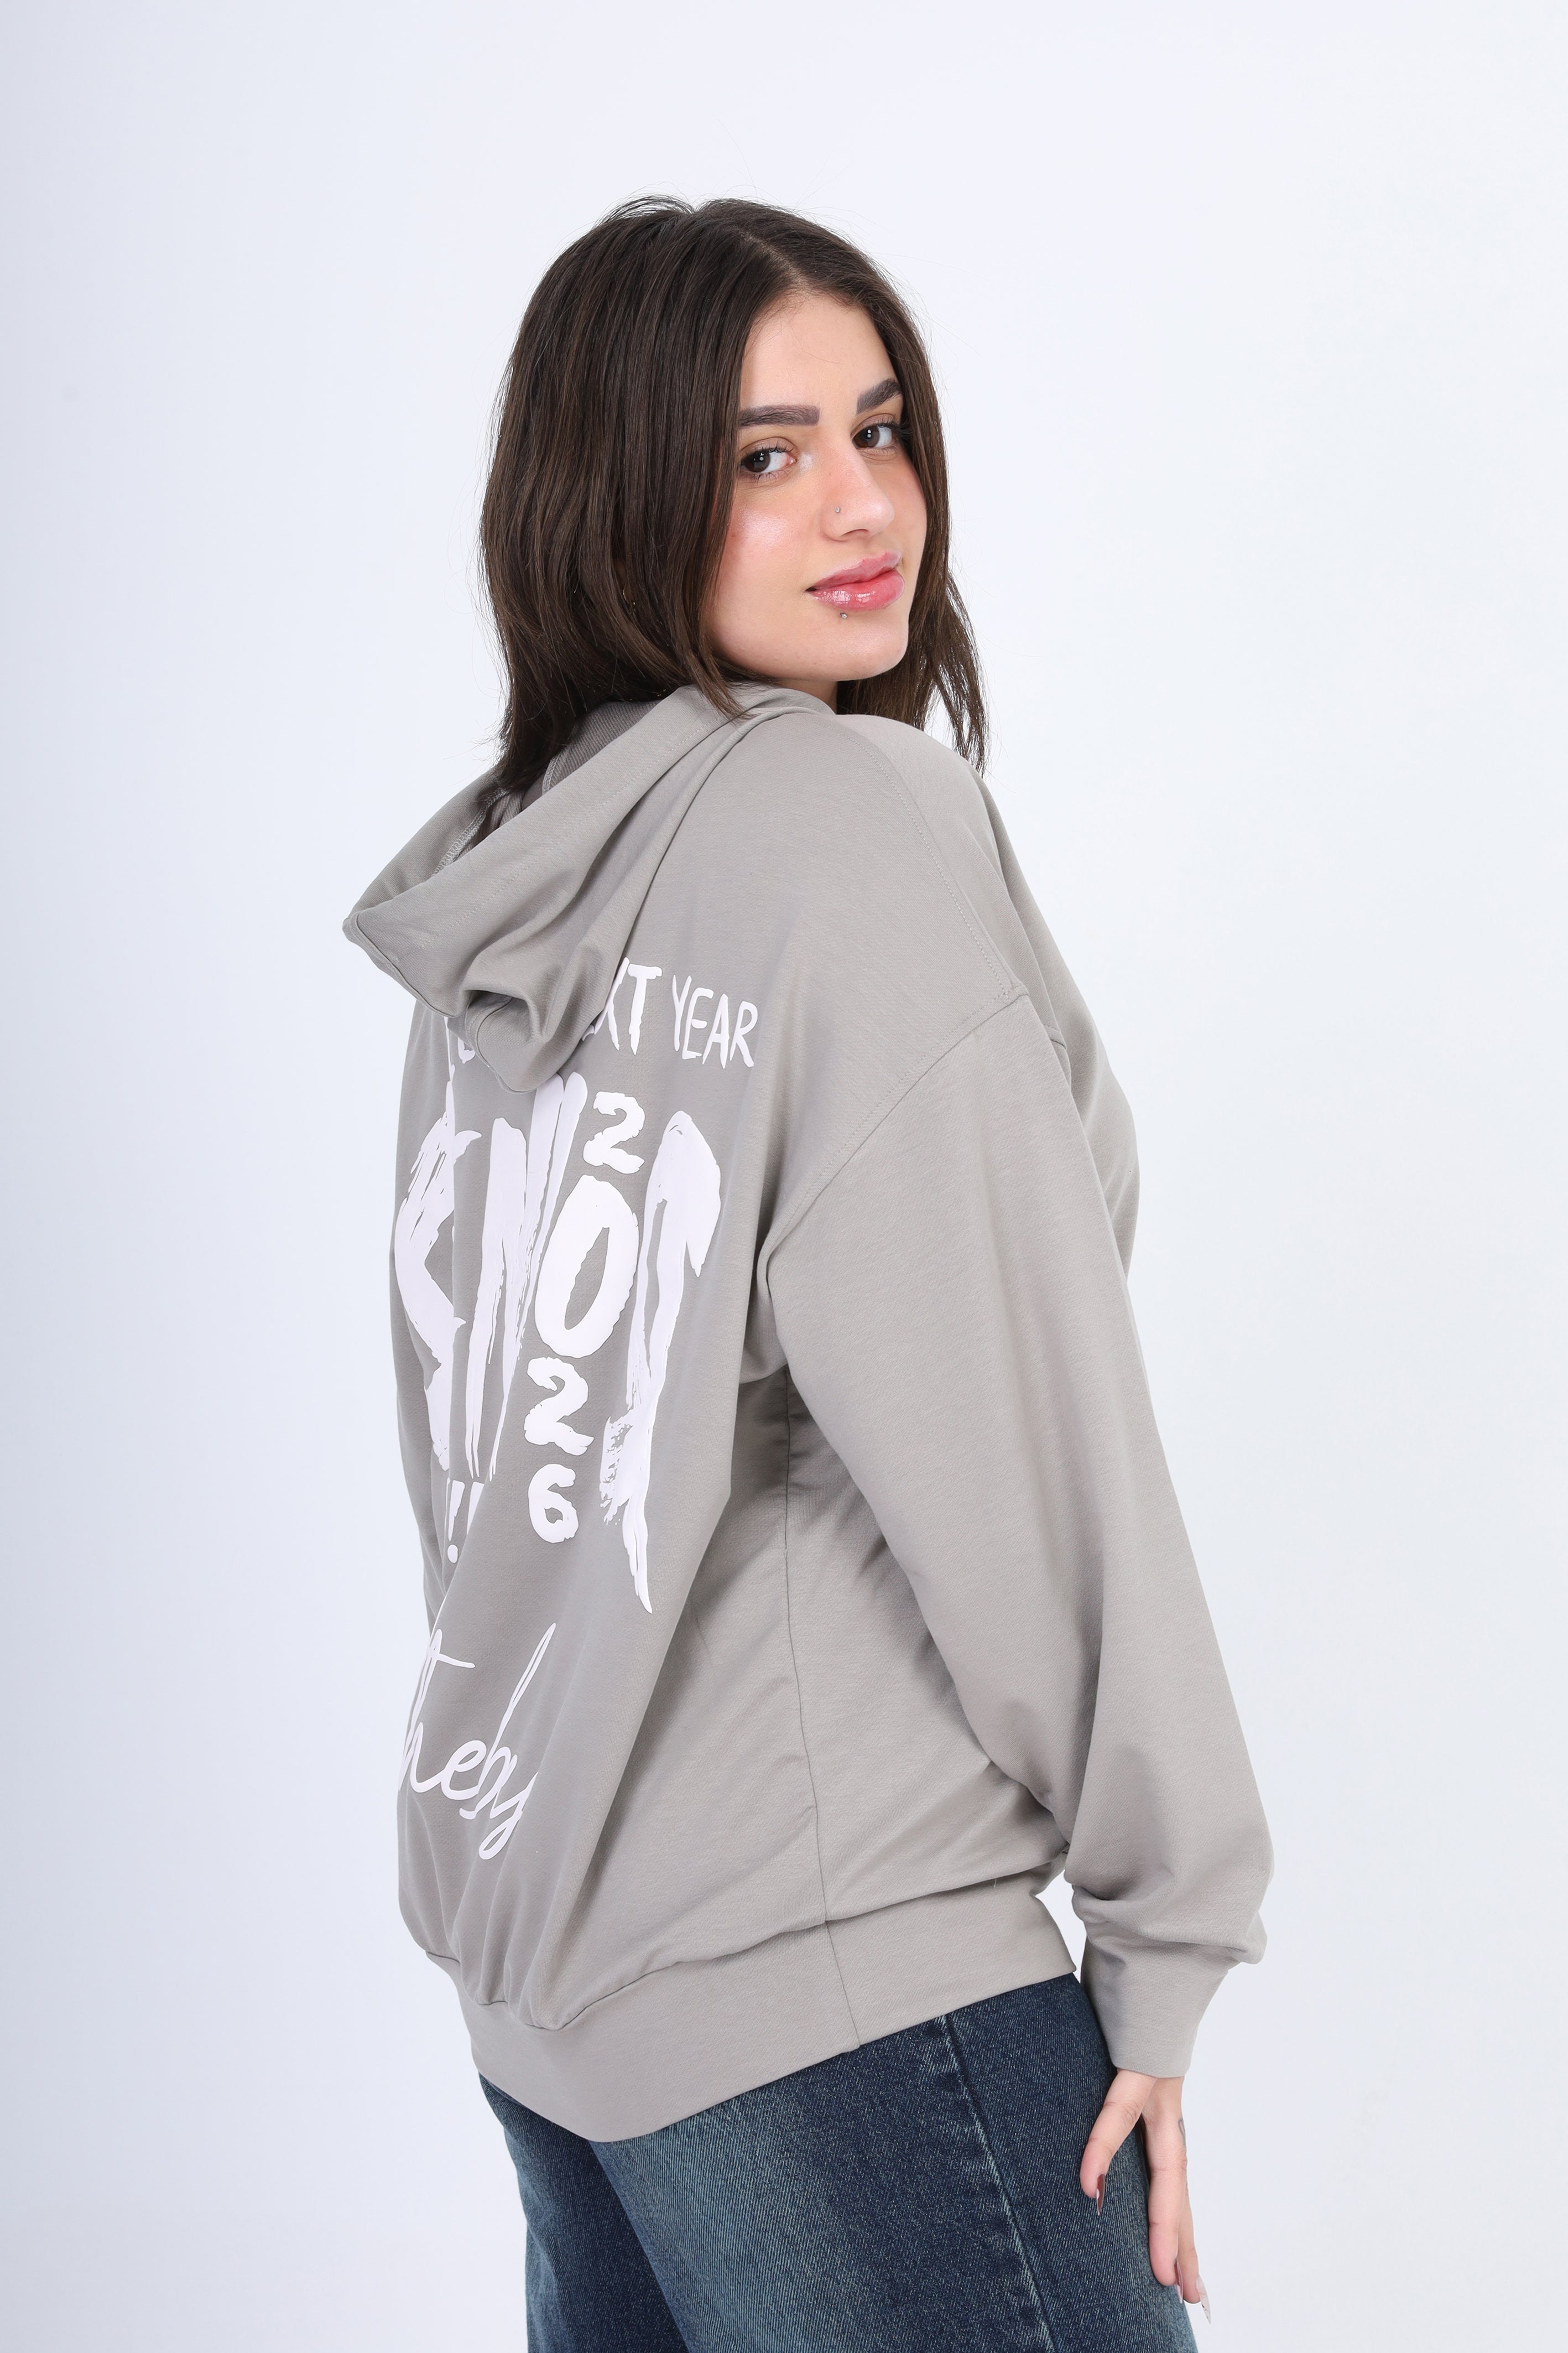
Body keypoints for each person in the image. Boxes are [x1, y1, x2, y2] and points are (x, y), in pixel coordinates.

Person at [345, 195, 1273, 2351]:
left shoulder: (524, 886)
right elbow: (1023, 1442)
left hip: (557, 1990)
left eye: (879, 427)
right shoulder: (843, 833)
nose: (863, 506)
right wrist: (1167, 1922)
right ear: (617, 492)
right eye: (764, 456)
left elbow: (493, 1455)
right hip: (846, 1979)